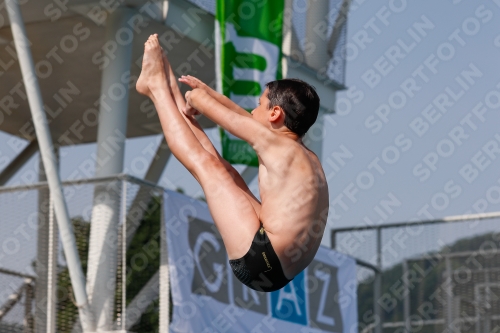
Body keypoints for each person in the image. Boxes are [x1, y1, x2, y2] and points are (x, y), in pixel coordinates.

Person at [136, 34, 329, 292]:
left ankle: (157, 89)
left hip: (261, 260)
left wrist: (197, 100)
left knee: (207, 167)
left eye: (259, 105)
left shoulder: (279, 146)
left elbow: (232, 121)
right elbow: (240, 116)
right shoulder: (303, 154)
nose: (252, 110)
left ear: (275, 113)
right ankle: (169, 86)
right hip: (275, 266)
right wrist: (208, 93)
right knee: (226, 172)